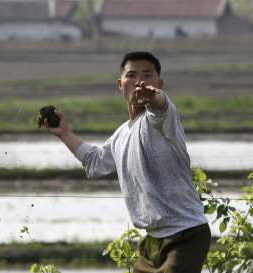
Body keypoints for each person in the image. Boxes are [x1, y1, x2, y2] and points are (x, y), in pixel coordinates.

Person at [43, 51, 211, 273]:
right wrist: (65, 133)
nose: (139, 81)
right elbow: (95, 162)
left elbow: (162, 105)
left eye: (147, 75)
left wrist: (154, 97)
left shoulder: (161, 118)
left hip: (186, 235)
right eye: (131, 75)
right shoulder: (122, 134)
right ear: (120, 84)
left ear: (159, 83)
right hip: (152, 240)